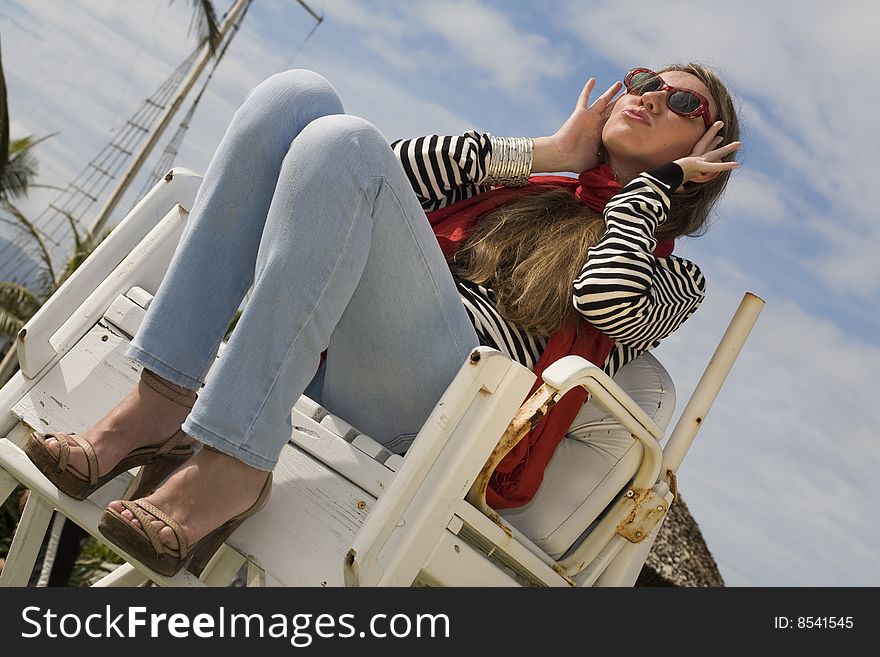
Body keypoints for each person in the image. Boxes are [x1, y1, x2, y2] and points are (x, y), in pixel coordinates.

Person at [23, 65, 740, 577]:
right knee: (296, 97)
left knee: (346, 142)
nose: (648, 97)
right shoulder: (529, 181)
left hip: (445, 410)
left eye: (681, 101)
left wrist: (653, 192)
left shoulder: (675, 274)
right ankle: (158, 401)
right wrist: (546, 154)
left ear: (706, 156)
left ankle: (233, 468)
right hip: (335, 346)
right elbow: (357, 173)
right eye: (644, 80)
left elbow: (605, 301)